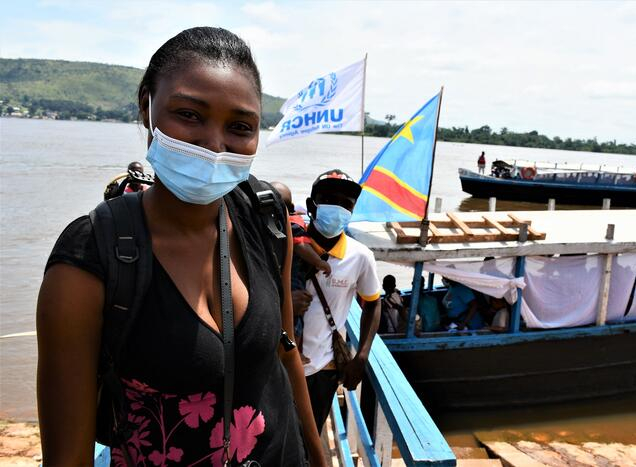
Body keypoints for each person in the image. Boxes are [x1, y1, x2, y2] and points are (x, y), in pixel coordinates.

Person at [36, 27, 325, 466]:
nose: (214, 145)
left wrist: (319, 458)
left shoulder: (264, 218)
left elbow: (285, 353)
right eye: (189, 114)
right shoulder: (90, 260)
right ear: (146, 106)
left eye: (240, 127)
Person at [300, 169, 381, 433]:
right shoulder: (286, 244)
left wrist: (362, 356)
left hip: (323, 367)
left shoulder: (360, 257)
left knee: (310, 436)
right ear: (312, 205)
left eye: (346, 204)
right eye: (329, 200)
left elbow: (373, 303)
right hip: (279, 363)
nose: (338, 209)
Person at [272, 181, 331, 364]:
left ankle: (294, 352)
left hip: (290, 278)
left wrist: (318, 262)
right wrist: (320, 262)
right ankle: (295, 352)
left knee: (295, 318)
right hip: (293, 278)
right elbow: (301, 246)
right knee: (295, 319)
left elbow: (301, 246)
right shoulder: (290, 224)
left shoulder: (287, 225)